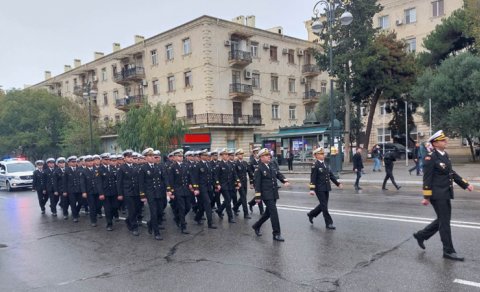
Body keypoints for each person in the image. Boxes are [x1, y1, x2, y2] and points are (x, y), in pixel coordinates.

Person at [413, 130, 474, 261]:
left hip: (445, 193)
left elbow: (451, 173)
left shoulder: (444, 155)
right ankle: (448, 251)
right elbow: (427, 178)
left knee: (442, 219)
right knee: (444, 222)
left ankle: (421, 235)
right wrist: (426, 197)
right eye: (443, 140)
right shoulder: (430, 157)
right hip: (437, 194)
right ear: (435, 143)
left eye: (445, 140)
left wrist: (465, 184)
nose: (446, 142)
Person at [251, 148, 290, 241]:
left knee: (268, 213)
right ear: (261, 157)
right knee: (274, 213)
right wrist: (257, 196)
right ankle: (276, 234)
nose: (269, 156)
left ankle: (256, 226)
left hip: (273, 193)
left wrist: (284, 180)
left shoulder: (271, 165)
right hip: (266, 194)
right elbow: (257, 184)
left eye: (269, 155)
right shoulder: (259, 168)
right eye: (266, 155)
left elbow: (277, 174)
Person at [307, 147, 343, 229]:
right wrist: (312, 189)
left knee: (323, 205)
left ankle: (311, 214)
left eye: (323, 154)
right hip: (319, 189)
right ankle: (329, 223)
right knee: (324, 206)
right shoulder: (315, 165)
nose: (323, 155)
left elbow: (330, 175)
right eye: (321, 154)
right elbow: (313, 178)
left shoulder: (325, 164)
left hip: (326, 187)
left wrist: (338, 183)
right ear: (316, 155)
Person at [139, 148, 168, 240]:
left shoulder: (158, 166)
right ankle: (157, 233)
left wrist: (168, 189)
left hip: (159, 192)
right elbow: (141, 183)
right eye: (150, 156)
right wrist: (143, 195)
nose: (152, 158)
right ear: (146, 157)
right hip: (150, 193)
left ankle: (150, 223)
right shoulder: (143, 168)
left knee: (160, 211)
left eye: (153, 156)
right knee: (154, 213)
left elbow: (164, 179)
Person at [117, 150, 141, 236]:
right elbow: (119, 182)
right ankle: (134, 227)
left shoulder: (136, 166)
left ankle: (128, 220)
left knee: (138, 209)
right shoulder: (122, 168)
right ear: (125, 158)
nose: (131, 159)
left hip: (136, 192)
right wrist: (120, 194)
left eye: (131, 157)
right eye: (128, 157)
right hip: (127, 192)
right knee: (132, 210)